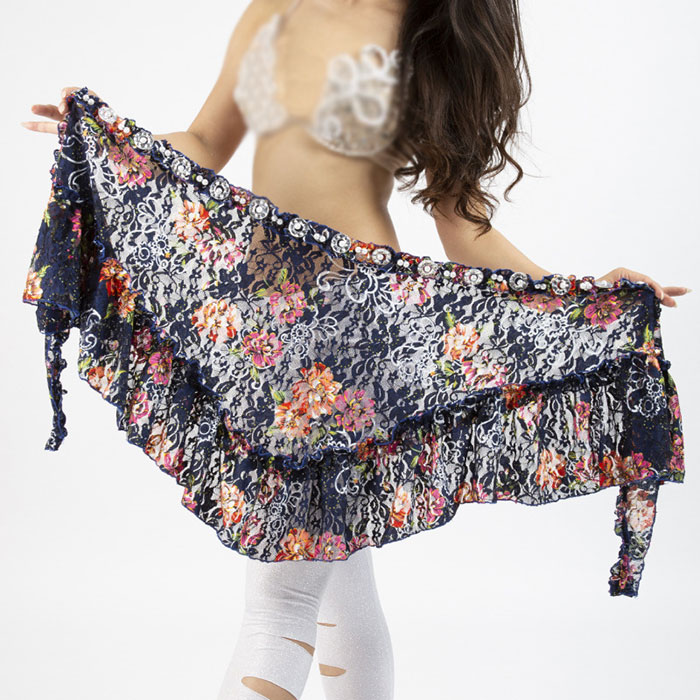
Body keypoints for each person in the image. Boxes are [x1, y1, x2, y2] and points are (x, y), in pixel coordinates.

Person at [21, 1, 689, 699]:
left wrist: (584, 293)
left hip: (353, 323)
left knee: (281, 598)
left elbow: (463, 227)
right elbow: (204, 140)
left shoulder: (426, 33)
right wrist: (105, 138)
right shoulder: (276, 9)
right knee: (340, 579)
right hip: (259, 324)